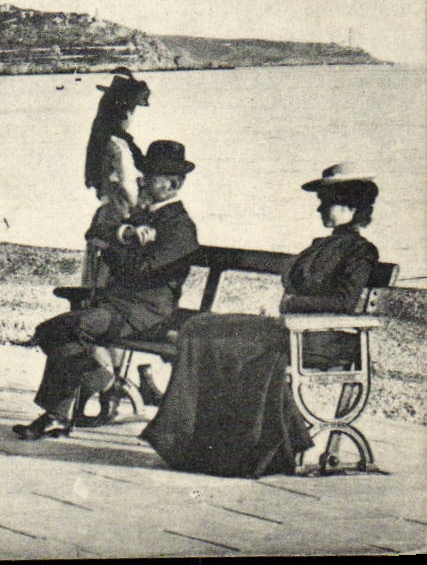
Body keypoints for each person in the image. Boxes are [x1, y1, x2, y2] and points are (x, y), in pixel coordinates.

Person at [141, 163, 381, 476]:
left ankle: (241, 451)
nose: (321, 207)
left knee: (233, 347)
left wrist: (293, 304)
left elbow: (344, 303)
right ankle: (186, 438)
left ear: (352, 205)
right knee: (200, 327)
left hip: (322, 338)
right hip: (291, 327)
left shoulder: (361, 251)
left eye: (328, 201)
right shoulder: (322, 246)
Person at [13, 140, 200, 440]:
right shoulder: (144, 217)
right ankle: (94, 382)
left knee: (59, 330)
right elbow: (96, 232)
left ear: (172, 184)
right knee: (53, 331)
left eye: (150, 176)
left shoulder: (180, 227)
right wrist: (125, 234)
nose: (141, 181)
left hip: (144, 314)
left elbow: (139, 269)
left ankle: (67, 407)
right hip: (118, 307)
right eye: (144, 174)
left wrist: (113, 251)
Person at [82, 68, 150, 287]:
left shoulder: (101, 141)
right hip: (120, 225)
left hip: (105, 219)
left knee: (96, 283)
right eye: (132, 111)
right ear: (125, 113)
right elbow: (127, 188)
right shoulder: (119, 147)